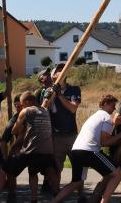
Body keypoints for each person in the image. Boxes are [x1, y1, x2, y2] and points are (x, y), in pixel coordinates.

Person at [52, 94, 121, 203]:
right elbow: (104, 142)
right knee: (118, 173)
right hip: (89, 151)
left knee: (76, 182)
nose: (114, 109)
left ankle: (54, 201)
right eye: (113, 105)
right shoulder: (107, 118)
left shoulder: (94, 116)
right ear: (105, 104)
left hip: (76, 150)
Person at [3, 91, 56, 203]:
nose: (21, 107)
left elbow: (14, 131)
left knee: (9, 169)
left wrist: (22, 128)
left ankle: (12, 195)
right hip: (48, 150)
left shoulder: (26, 111)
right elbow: (46, 101)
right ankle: (56, 195)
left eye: (22, 104)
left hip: (31, 150)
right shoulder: (45, 110)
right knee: (34, 171)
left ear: (26, 102)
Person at [42, 65, 82, 196]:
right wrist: (50, 96)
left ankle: (81, 195)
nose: (60, 72)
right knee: (56, 168)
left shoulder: (74, 89)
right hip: (56, 136)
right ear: (53, 76)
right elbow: (43, 110)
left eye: (62, 70)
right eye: (57, 71)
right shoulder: (48, 91)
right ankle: (56, 194)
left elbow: (73, 108)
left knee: (78, 166)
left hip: (72, 135)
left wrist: (59, 94)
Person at [1, 93, 24, 202]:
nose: (18, 108)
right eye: (16, 106)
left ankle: (53, 190)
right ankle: (12, 193)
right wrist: (5, 158)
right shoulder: (14, 120)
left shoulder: (34, 114)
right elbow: (3, 141)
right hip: (20, 150)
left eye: (20, 105)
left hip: (36, 148)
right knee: (9, 168)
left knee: (50, 166)